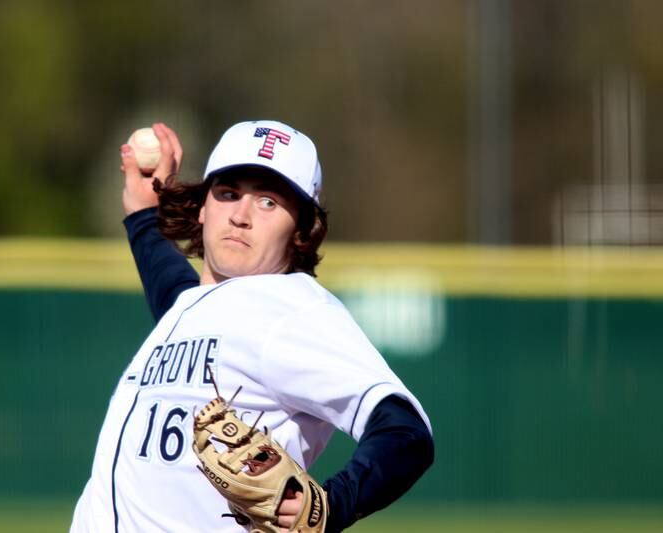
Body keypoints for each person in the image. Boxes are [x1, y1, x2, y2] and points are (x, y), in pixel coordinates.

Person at [70, 120, 434, 533]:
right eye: (228, 194)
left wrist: (334, 504)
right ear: (203, 207)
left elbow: (405, 431)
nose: (241, 216)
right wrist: (143, 213)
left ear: (301, 231)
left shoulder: (294, 310)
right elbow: (174, 292)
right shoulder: (194, 309)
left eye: (268, 202)